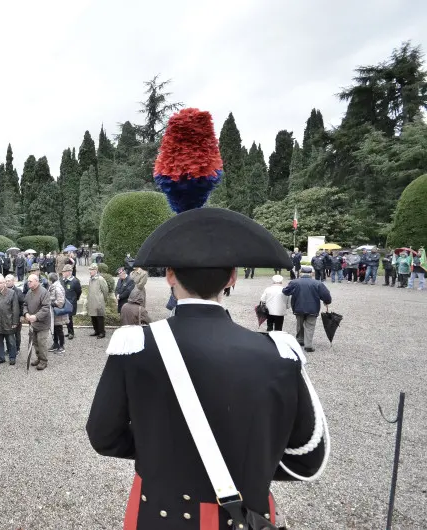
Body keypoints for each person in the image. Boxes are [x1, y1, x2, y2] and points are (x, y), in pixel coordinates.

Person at [87, 108, 328, 529]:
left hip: (157, 515)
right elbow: (308, 459)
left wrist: (159, 450)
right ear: (233, 278)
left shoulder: (135, 345)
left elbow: (103, 436)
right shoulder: (279, 352)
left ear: (171, 275)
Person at [282, 266, 332, 352]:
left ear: (301, 273)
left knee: (299, 323)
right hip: (313, 308)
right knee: (310, 326)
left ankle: (300, 340)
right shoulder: (318, 283)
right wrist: (327, 301)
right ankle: (308, 345)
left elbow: (285, 291)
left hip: (298, 307)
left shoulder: (294, 282)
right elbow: (326, 295)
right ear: (312, 273)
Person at [23, 273, 52, 370]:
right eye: (28, 281)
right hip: (32, 322)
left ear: (36, 281)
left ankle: (44, 361)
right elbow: (25, 304)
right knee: (35, 342)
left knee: (41, 342)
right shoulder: (29, 292)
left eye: (30, 281)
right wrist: (26, 313)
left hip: (43, 323)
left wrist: (36, 316)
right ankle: (39, 358)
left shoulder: (44, 292)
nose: (28, 283)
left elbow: (46, 308)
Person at [0, 274, 20, 365]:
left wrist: (15, 322)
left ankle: (12, 357)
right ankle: (1, 357)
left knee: (11, 341)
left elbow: (15, 309)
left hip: (8, 322)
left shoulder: (11, 293)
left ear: (4, 283)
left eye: (0, 283)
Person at [86, 264, 109, 339]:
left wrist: (103, 300)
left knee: (99, 318)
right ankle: (96, 331)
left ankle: (102, 332)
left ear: (96, 270)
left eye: (91, 270)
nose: (90, 271)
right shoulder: (91, 279)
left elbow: (105, 291)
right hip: (92, 302)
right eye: (90, 270)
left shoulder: (100, 279)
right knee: (93, 317)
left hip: (99, 302)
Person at [48, 272, 68, 354]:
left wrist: (51, 304)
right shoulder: (53, 286)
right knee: (54, 329)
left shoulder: (57, 287)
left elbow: (60, 301)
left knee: (59, 329)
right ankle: (55, 344)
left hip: (57, 312)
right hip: (53, 312)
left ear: (51, 280)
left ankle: (62, 346)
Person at [61, 264, 82, 339]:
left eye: (64, 272)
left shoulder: (75, 281)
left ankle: (71, 333)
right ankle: (69, 331)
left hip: (71, 303)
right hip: (63, 302)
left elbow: (79, 291)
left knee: (69, 318)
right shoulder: (62, 280)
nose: (63, 273)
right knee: (66, 318)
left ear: (69, 272)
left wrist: (75, 299)